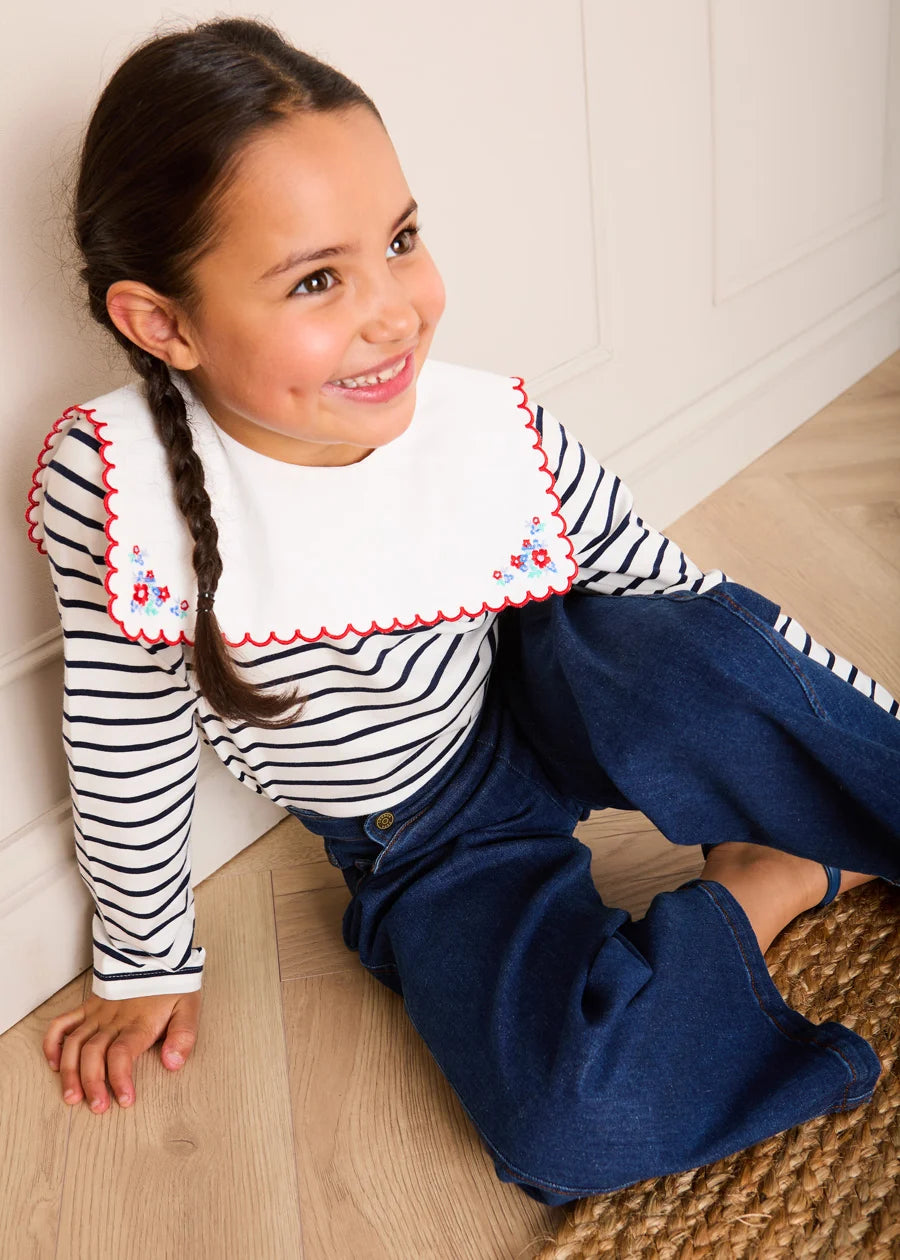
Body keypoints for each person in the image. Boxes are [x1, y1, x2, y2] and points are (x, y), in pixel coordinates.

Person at [27, 17, 898, 1206]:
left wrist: (855, 748)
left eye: (401, 239)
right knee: (567, 1124)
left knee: (693, 654)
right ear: (162, 322)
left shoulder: (490, 429)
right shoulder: (118, 490)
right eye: (319, 280)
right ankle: (777, 873)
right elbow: (121, 736)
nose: (396, 311)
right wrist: (142, 959)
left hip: (545, 691)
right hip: (422, 833)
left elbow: (693, 612)